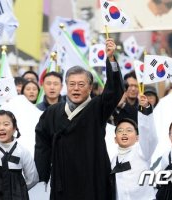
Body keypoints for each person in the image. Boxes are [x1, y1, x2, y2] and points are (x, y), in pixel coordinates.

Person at [34, 38, 124, 200]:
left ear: (90, 87)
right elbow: (42, 145)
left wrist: (111, 59)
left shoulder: (98, 108)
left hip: (92, 177)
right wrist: (42, 174)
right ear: (66, 86)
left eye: (81, 85)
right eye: (72, 84)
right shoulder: (52, 112)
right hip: (63, 178)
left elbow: (114, 91)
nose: (76, 88)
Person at [111, 94, 157, 200]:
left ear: (137, 138)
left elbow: (149, 137)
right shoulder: (114, 160)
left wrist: (144, 111)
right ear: (115, 139)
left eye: (129, 130)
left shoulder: (142, 152)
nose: (124, 133)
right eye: (120, 131)